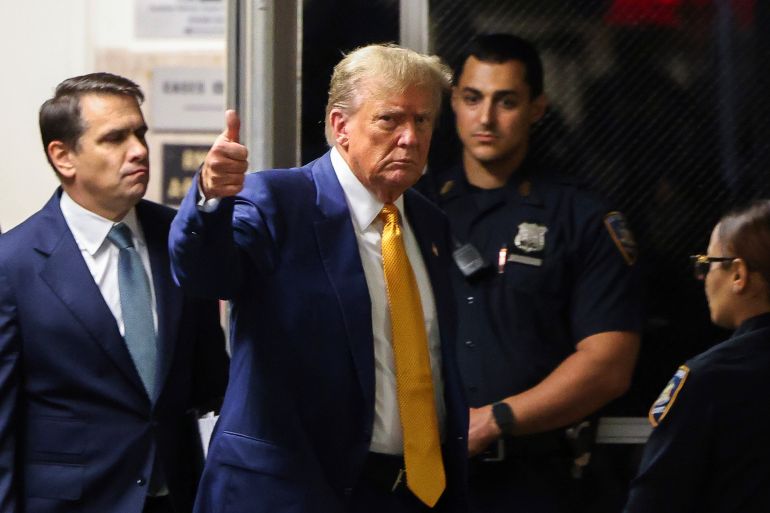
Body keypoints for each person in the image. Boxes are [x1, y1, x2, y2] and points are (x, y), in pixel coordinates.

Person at [168, 44, 469, 513]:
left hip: (408, 493)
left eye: (423, 121)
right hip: (288, 493)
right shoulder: (277, 201)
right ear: (340, 126)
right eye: (389, 120)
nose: (410, 137)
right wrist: (209, 199)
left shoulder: (430, 223)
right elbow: (204, 275)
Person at [418, 33, 642, 512]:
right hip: (423, 479)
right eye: (472, 98)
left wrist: (496, 419)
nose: (485, 118)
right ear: (452, 102)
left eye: (506, 102)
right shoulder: (414, 209)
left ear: (537, 108)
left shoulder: (580, 218)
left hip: (535, 482)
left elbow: (609, 365)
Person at [0, 73, 230, 513]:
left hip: (177, 497)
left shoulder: (179, 238)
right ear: (63, 157)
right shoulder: (13, 265)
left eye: (140, 133)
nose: (139, 150)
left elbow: (211, 382)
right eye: (114, 138)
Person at [624, 200, 770, 513]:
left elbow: (654, 501)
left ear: (739, 274)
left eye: (708, 263)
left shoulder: (710, 380)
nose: (702, 277)